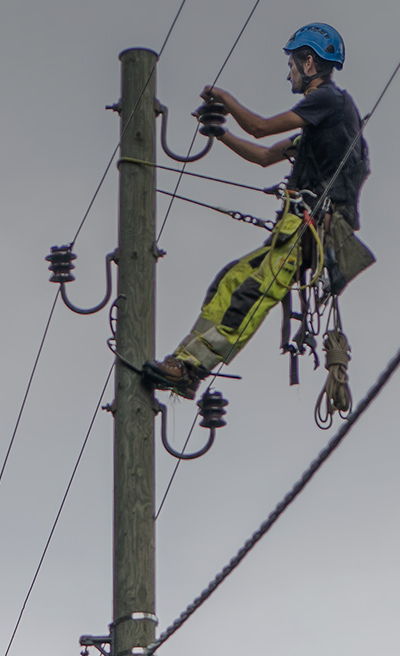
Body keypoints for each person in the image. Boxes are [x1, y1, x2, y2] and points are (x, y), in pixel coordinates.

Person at [146, 23, 371, 398]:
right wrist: (220, 134)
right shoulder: (323, 124)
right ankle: (185, 361)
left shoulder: (328, 101)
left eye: (292, 65)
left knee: (250, 293)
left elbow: (260, 129)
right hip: (296, 228)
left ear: (309, 62)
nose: (289, 74)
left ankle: (190, 368)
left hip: (310, 228)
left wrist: (225, 98)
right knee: (231, 280)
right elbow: (266, 156)